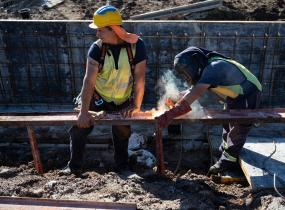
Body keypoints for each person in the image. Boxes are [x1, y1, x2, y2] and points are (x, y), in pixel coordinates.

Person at [60, 5, 147, 174]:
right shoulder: (97, 49)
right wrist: (84, 112)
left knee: (122, 131)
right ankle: (74, 168)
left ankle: (122, 167)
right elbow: (88, 82)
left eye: (101, 30)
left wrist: (135, 106)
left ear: (114, 29)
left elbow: (140, 79)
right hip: (97, 95)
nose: (97, 34)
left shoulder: (137, 47)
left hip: (122, 98)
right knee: (80, 128)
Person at [157, 46, 262, 174]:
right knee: (227, 124)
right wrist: (176, 99)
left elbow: (196, 92)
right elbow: (192, 90)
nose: (185, 76)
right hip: (234, 96)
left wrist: (171, 113)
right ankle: (225, 151)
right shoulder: (208, 68)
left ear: (193, 64)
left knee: (239, 127)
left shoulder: (214, 67)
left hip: (248, 92)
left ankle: (228, 161)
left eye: (185, 72)